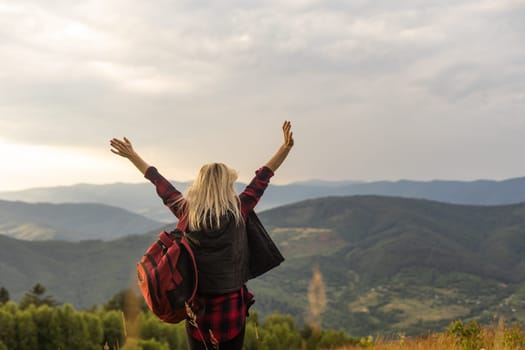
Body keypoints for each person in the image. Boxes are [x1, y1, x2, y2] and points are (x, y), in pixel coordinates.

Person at [110, 121, 294, 350]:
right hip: (232, 310)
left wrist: (133, 156)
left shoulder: (187, 213)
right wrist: (284, 148)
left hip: (199, 310)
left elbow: (160, 183)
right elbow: (263, 178)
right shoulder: (239, 209)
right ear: (226, 186)